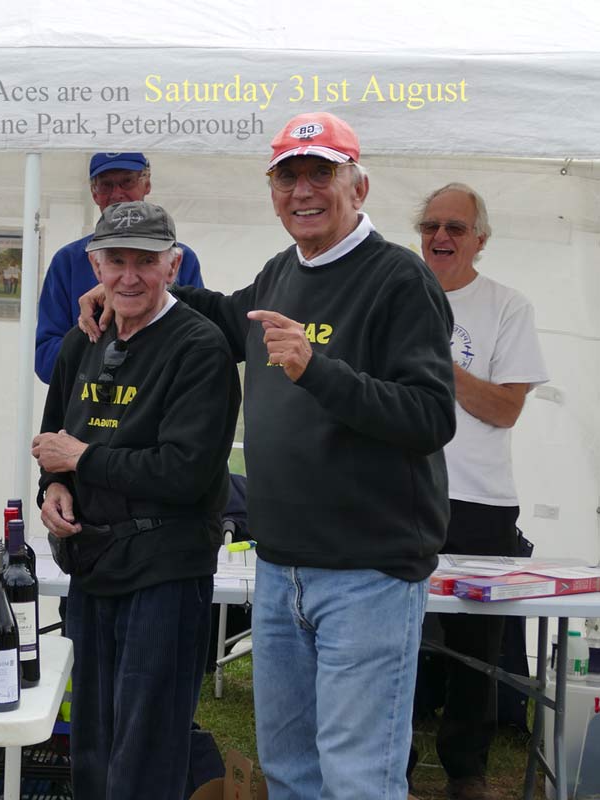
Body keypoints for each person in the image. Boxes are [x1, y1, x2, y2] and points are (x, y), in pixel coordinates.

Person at [80, 112, 456, 798]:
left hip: (367, 573)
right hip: (281, 569)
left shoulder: (399, 278)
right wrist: (135, 286)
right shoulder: (283, 272)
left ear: (359, 186)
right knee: (289, 772)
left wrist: (318, 369)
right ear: (274, 192)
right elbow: (225, 320)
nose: (302, 191)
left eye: (320, 174)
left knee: (358, 777)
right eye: (288, 177)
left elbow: (431, 417)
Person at [33, 200, 240, 799]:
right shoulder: (84, 342)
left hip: (164, 569)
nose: (129, 276)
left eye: (145, 261)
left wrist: (81, 459)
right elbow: (54, 441)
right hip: (93, 563)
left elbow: (185, 472)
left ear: (173, 265)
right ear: (94, 265)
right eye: (116, 260)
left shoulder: (199, 347)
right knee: (92, 742)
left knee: (146, 745)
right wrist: (54, 488)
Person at [409, 184, 548, 800]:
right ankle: (393, 764)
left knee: (476, 646)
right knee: (392, 636)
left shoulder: (506, 306)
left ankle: (466, 772)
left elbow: (504, 408)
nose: (440, 237)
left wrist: (438, 363)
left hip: (479, 500)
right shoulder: (394, 293)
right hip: (398, 494)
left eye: (456, 228)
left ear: (480, 240)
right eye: (431, 226)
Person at [33, 152, 204, 383]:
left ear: (147, 184)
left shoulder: (180, 257)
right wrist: (97, 336)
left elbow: (199, 340)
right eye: (106, 185)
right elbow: (45, 361)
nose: (117, 194)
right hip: (88, 403)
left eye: (127, 181)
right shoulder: (67, 261)